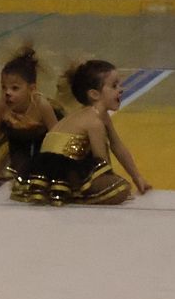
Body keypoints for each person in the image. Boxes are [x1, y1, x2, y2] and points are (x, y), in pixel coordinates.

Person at [11, 60, 150, 205]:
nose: (120, 90)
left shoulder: (98, 116)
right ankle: (71, 193)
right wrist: (110, 182)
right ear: (94, 94)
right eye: (114, 86)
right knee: (120, 188)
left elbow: (117, 145)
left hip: (50, 165)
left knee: (118, 185)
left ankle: (62, 190)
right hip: (61, 169)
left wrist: (137, 177)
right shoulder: (94, 122)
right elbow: (101, 161)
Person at [0, 44, 63, 187]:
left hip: (43, 139)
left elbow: (57, 139)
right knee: (20, 174)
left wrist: (61, 172)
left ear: (32, 89)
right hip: (18, 139)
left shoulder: (42, 105)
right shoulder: (0, 106)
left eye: (15, 88)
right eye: (4, 87)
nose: (7, 93)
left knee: (42, 173)